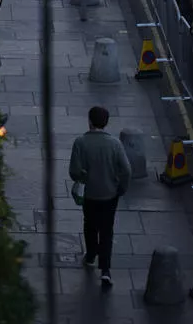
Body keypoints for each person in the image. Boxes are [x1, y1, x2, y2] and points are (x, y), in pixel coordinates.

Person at [69, 106, 131, 287]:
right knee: (106, 229)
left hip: (90, 194)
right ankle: (105, 270)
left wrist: (83, 175)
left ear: (89, 121)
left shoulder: (81, 142)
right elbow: (126, 170)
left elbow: (73, 171)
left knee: (90, 224)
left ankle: (90, 256)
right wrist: (121, 188)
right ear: (106, 122)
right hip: (110, 194)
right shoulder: (115, 144)